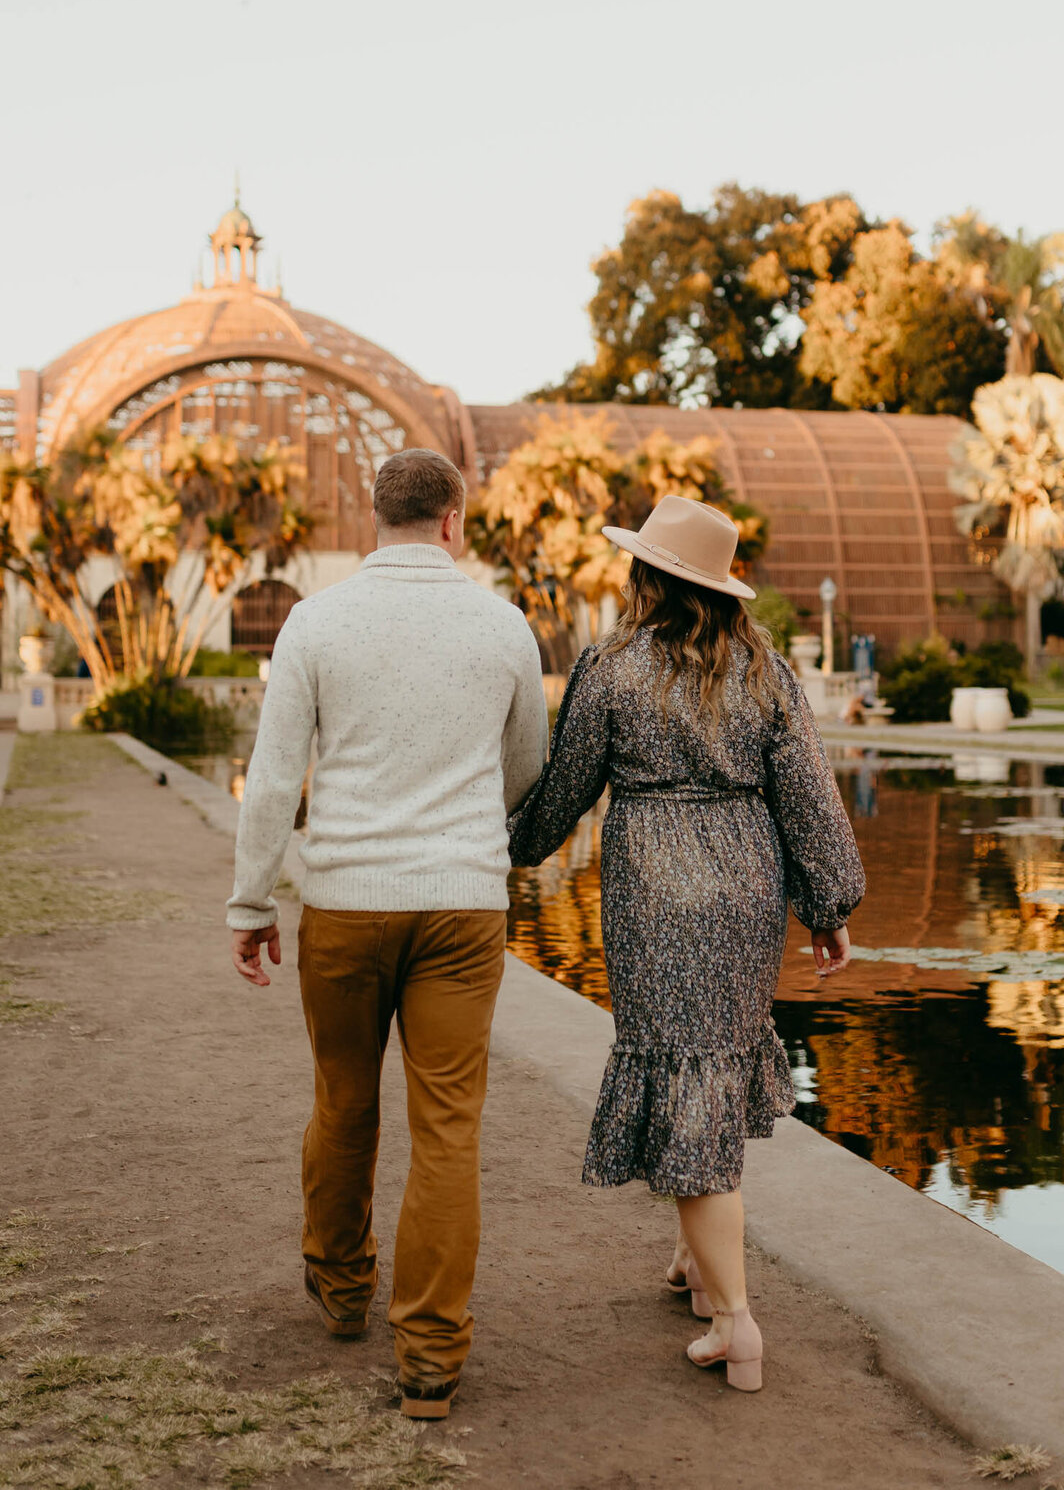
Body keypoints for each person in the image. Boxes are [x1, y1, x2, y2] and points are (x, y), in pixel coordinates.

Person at [508, 495, 865, 1393]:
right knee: (707, 1068)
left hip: (656, 892)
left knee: (682, 1069)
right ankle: (695, 1271)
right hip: (745, 890)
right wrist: (829, 903)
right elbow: (812, 798)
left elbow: (565, 791)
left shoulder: (613, 667)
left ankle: (738, 1326)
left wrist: (502, 851)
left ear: (644, 575)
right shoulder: (765, 671)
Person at [227, 448, 547, 1419]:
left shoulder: (316, 622)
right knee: (447, 1127)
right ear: (454, 519)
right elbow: (527, 769)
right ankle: (431, 1362)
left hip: (344, 901)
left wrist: (251, 904)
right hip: (462, 906)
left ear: (379, 516)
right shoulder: (502, 626)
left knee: (343, 1099)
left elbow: (275, 779)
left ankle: (341, 1290)